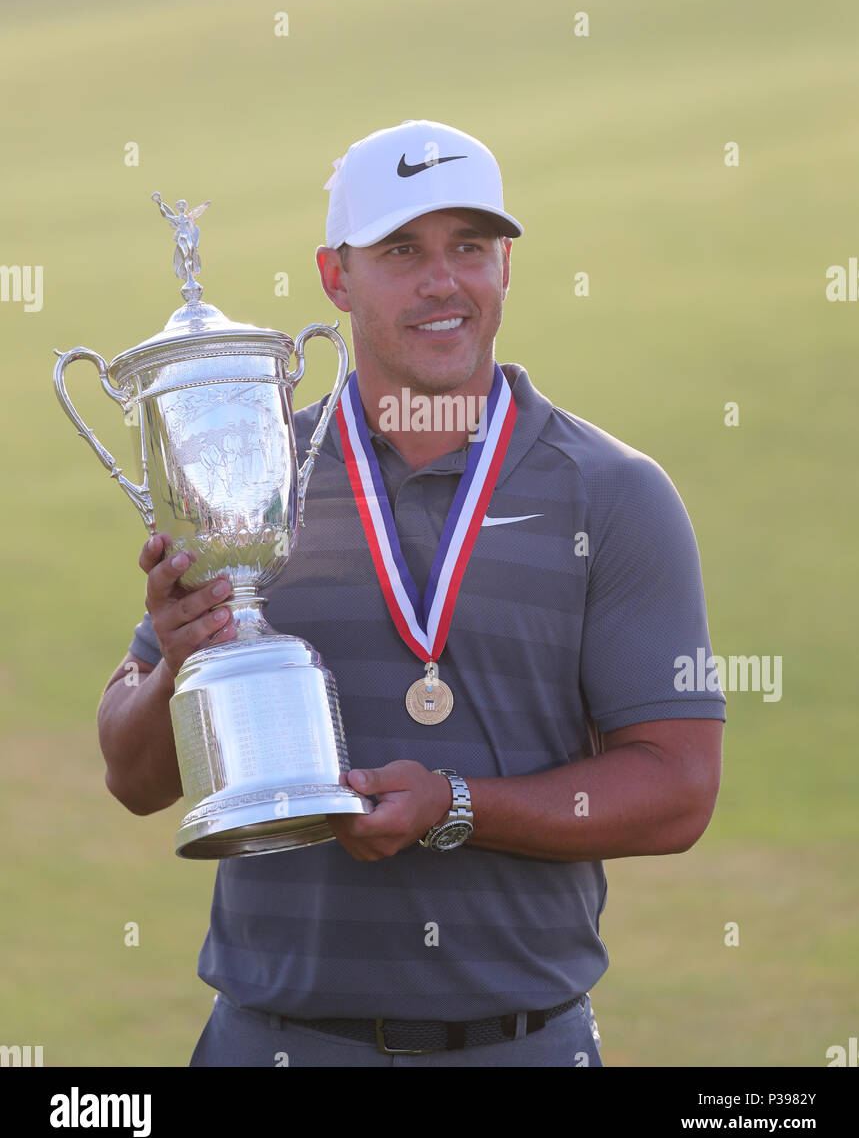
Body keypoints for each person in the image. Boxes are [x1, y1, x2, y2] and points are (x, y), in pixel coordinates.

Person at [98, 118, 725, 1068]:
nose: (443, 281)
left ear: (505, 267)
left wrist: (459, 805)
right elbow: (135, 779)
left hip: (519, 1047)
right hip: (277, 1045)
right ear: (335, 277)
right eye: (402, 250)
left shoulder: (613, 492)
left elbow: (679, 790)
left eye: (469, 247)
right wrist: (178, 659)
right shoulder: (244, 477)